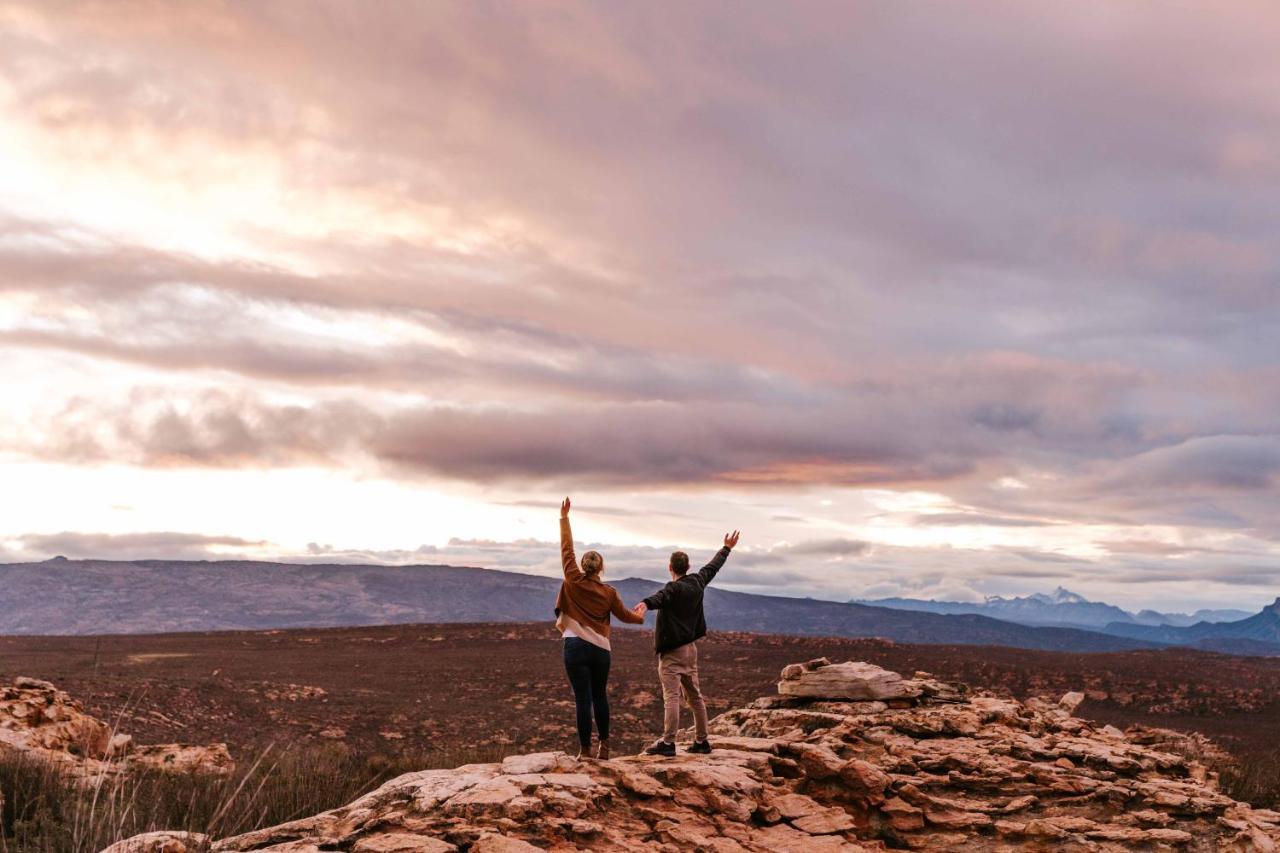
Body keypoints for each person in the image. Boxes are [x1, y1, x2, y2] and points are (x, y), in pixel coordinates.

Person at [632, 529, 740, 757]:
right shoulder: (698, 581)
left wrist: (645, 604)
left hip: (672, 652)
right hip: (691, 650)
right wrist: (726, 548)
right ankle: (702, 741)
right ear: (687, 567)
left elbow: (660, 598)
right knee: (695, 696)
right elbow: (713, 566)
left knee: (671, 697)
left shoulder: (673, 588)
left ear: (670, 567)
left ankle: (669, 743)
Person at [555, 497, 645, 760]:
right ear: (602, 568)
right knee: (600, 696)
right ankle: (604, 747)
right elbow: (625, 616)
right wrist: (640, 616)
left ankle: (584, 751)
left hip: (574, 645)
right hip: (600, 650)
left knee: (582, 699)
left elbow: (566, 549)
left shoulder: (572, 579)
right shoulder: (609, 592)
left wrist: (564, 518)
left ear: (583, 566)